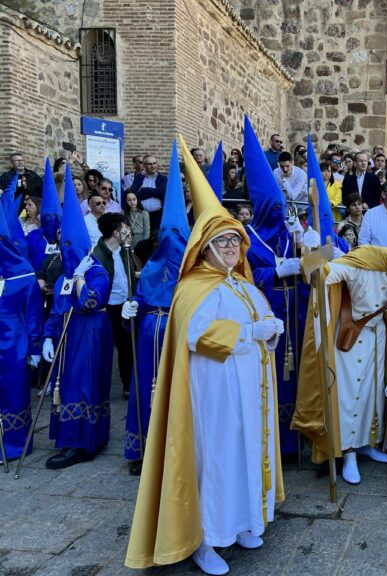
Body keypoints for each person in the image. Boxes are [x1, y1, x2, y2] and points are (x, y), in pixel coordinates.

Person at [125, 140, 284, 575]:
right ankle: (207, 538)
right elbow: (196, 334)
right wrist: (252, 331)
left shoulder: (243, 284)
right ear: (206, 246)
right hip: (212, 391)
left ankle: (244, 522)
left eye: (236, 239)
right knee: (216, 459)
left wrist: (269, 333)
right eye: (223, 240)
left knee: (246, 453)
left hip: (249, 389)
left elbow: (262, 323)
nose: (233, 246)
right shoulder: (195, 286)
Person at [292, 243, 387, 485]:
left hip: (376, 339)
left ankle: (367, 443)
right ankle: (348, 454)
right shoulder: (362, 260)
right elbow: (322, 275)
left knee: (371, 395)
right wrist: (315, 257)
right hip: (348, 336)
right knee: (349, 395)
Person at [120, 142, 190, 475]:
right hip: (149, 336)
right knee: (145, 387)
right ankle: (144, 446)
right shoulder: (149, 268)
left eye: (179, 235)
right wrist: (131, 310)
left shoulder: (194, 271)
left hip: (179, 335)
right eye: (168, 233)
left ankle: (175, 449)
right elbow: (143, 299)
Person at [42, 173, 113, 470]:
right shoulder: (63, 276)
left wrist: (82, 277)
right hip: (66, 336)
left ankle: (84, 442)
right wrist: (47, 336)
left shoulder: (97, 272)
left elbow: (90, 303)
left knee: (84, 385)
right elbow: (58, 308)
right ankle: (69, 437)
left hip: (90, 334)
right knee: (67, 384)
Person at [0, 197, 43, 461]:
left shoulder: (24, 275)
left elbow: (34, 314)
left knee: (14, 392)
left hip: (13, 344)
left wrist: (35, 346)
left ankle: (15, 444)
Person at [92, 213, 141, 399]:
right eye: (124, 228)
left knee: (127, 346)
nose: (128, 231)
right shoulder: (97, 254)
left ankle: (128, 385)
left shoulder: (124, 250)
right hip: (107, 307)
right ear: (115, 232)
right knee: (105, 348)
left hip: (125, 303)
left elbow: (125, 274)